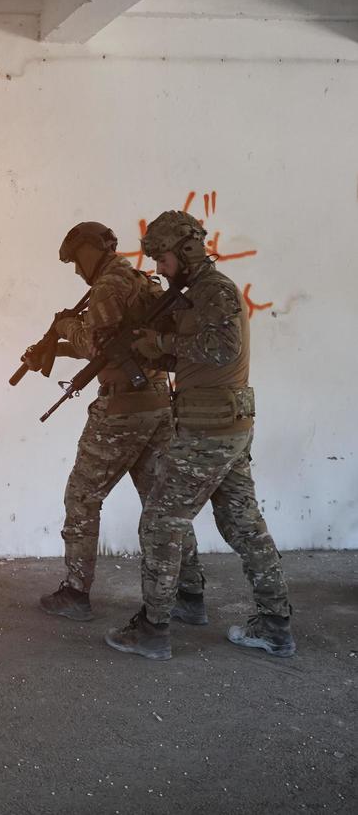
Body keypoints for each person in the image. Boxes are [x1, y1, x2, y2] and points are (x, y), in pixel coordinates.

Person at [105, 210, 294, 661]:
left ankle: (153, 630)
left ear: (187, 250)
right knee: (242, 524)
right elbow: (195, 358)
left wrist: (162, 345)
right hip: (222, 427)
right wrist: (153, 348)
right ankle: (275, 626)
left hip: (209, 432)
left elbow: (221, 349)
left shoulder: (216, 291)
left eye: (164, 259)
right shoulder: (194, 295)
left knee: (161, 523)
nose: (159, 268)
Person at [37, 222, 207, 623]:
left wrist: (65, 327)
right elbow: (115, 346)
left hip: (121, 412)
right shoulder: (137, 279)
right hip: (157, 405)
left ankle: (76, 593)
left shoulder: (107, 287)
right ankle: (189, 593)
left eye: (78, 260)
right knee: (163, 503)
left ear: (90, 251)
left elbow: (95, 342)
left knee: (82, 497)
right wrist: (56, 349)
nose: (78, 271)